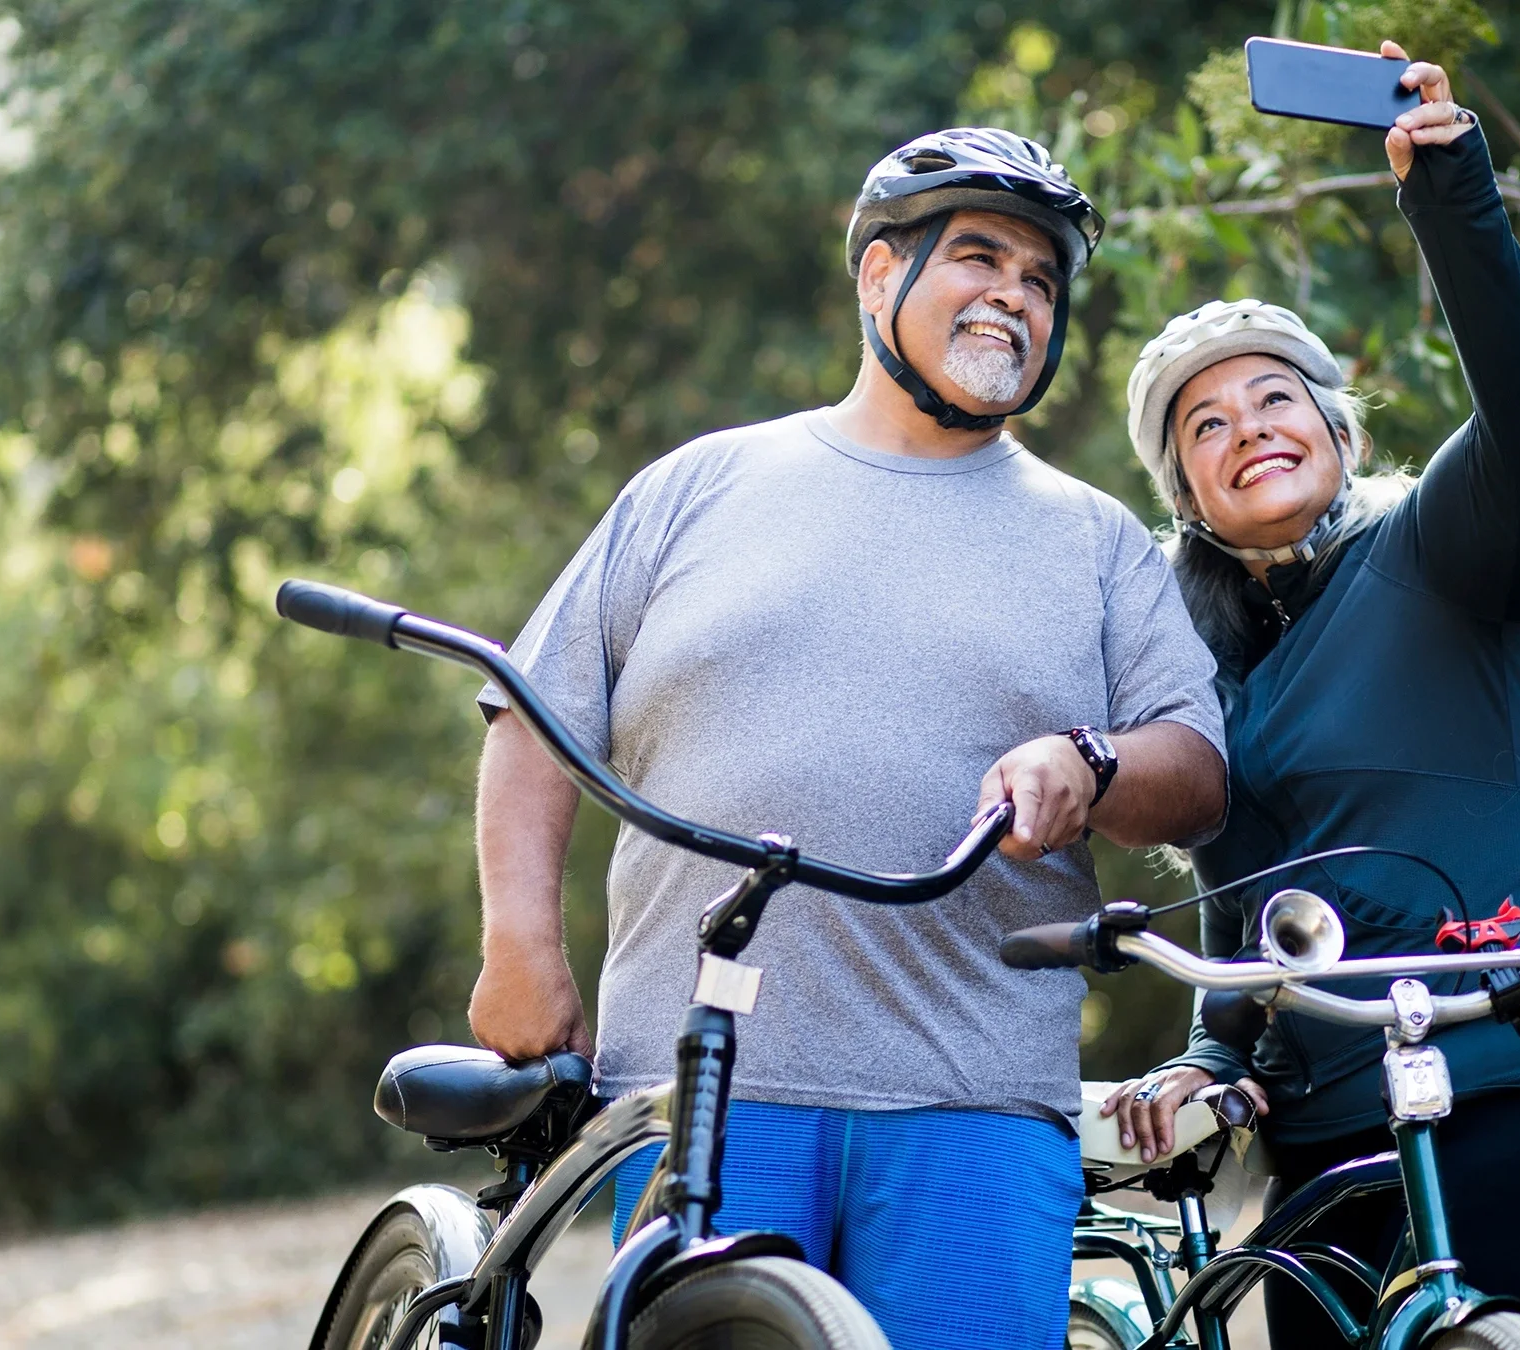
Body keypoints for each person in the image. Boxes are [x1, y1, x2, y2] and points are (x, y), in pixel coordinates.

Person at [468, 127, 1230, 1350]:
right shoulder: (700, 485)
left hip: (976, 1097)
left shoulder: (1094, 542)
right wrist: (520, 946)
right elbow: (530, 715)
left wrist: (1090, 765)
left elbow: (1194, 773)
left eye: (1042, 281)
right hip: (706, 1087)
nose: (1015, 296)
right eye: (977, 257)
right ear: (878, 275)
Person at [1096, 46, 1520, 1350]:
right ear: (1185, 495)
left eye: (1275, 397)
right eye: (1204, 424)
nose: (1248, 424)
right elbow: (1254, 898)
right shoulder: (1210, 672)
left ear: (1340, 433)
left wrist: (1451, 188)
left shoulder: (1439, 552)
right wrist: (1218, 1055)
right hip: (1336, 1132)